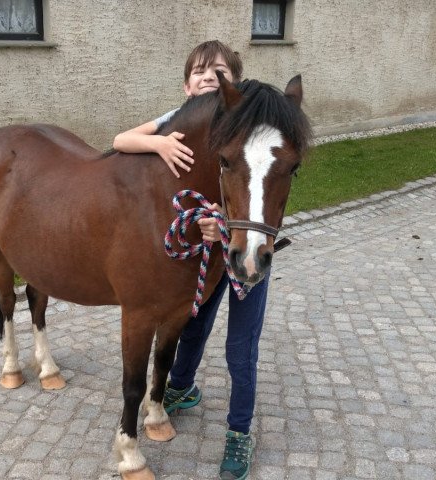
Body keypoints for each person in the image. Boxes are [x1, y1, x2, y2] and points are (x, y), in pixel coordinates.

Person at [113, 40, 269, 480]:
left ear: (234, 85)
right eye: (199, 71)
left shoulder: (247, 134)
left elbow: (257, 191)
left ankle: (239, 432)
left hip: (244, 253)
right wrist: (160, 145)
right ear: (186, 85)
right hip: (208, 255)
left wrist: (222, 222)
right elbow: (119, 140)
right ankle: (178, 389)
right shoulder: (177, 123)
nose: (208, 77)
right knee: (193, 324)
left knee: (241, 350)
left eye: (219, 71)